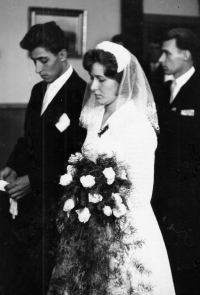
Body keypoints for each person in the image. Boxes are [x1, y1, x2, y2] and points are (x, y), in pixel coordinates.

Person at [48, 41, 176, 294]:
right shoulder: (95, 116)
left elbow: (140, 195)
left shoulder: (138, 126)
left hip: (124, 232)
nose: (93, 87)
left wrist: (100, 202)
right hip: (88, 224)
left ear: (122, 80)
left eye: (101, 79)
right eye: (91, 78)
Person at [0, 21, 86, 295]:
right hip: (29, 199)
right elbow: (28, 140)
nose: (38, 69)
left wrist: (33, 179)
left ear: (62, 55)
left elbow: (77, 159)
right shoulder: (39, 90)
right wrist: (12, 165)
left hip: (56, 201)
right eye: (34, 61)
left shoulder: (81, 93)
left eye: (43, 60)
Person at [153, 28, 200, 294]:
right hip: (164, 195)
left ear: (186, 55)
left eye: (166, 53)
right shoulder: (161, 91)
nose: (161, 59)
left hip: (191, 200)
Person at [142, 37, 165, 114]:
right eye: (151, 48)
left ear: (161, 51)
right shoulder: (142, 67)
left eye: (157, 48)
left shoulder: (166, 69)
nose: (154, 51)